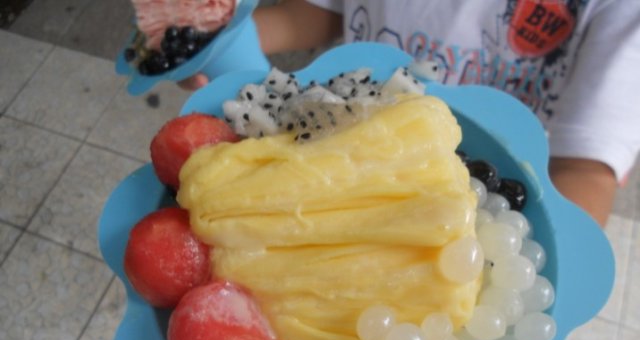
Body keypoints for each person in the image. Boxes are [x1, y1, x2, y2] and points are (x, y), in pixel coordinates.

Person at [180, 0, 640, 227]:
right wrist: (217, 41)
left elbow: (587, 168)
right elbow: (326, 12)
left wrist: (538, 260)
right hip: (337, 152)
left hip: (477, 202)